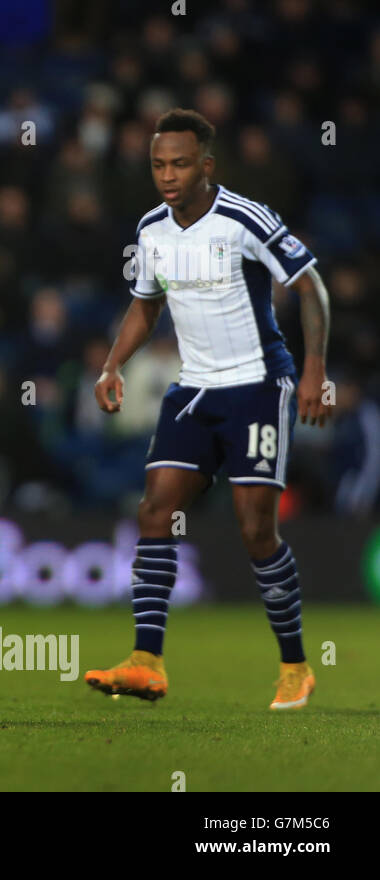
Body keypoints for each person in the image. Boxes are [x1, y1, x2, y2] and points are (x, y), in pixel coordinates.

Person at [84, 109, 333, 709]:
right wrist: (113, 364)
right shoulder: (151, 230)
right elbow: (145, 307)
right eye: (158, 164)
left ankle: (296, 665)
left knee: (255, 531)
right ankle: (147, 660)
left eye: (180, 163)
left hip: (256, 385)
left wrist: (315, 372)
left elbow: (310, 285)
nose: (168, 175)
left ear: (206, 165)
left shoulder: (245, 219)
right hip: (193, 390)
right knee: (154, 510)